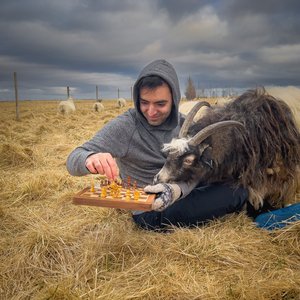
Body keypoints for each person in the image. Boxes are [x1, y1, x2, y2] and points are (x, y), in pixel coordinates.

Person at [66, 59, 248, 230]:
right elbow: (74, 159)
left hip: (182, 191)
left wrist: (178, 189)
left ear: (175, 100)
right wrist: (90, 158)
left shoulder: (185, 125)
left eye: (160, 104)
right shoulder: (126, 126)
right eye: (144, 102)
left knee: (235, 180)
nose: (151, 111)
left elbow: (198, 170)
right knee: (238, 192)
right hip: (151, 209)